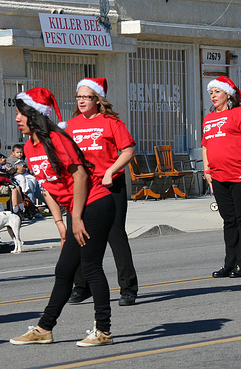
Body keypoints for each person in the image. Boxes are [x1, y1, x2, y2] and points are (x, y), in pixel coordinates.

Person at [10, 87, 116, 347]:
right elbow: (48, 188)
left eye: (21, 114)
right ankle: (44, 329)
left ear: (35, 115)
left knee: (90, 267)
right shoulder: (29, 147)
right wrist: (61, 223)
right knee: (64, 270)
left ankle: (103, 331)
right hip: (77, 209)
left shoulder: (58, 139)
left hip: (96, 204)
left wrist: (76, 217)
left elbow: (80, 176)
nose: (17, 119)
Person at [65, 78, 139, 306]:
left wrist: (111, 170)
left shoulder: (111, 122)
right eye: (79, 97)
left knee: (115, 236)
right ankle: (82, 286)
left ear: (97, 99)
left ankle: (128, 288)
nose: (82, 101)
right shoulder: (71, 125)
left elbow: (128, 150)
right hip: (81, 189)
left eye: (87, 97)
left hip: (109, 186)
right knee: (78, 236)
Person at [203, 76, 241, 279]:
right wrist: (207, 170)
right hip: (219, 176)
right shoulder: (209, 118)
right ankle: (229, 263)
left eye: (217, 92)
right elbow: (205, 145)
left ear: (228, 94)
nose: (213, 96)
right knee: (228, 220)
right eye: (211, 93)